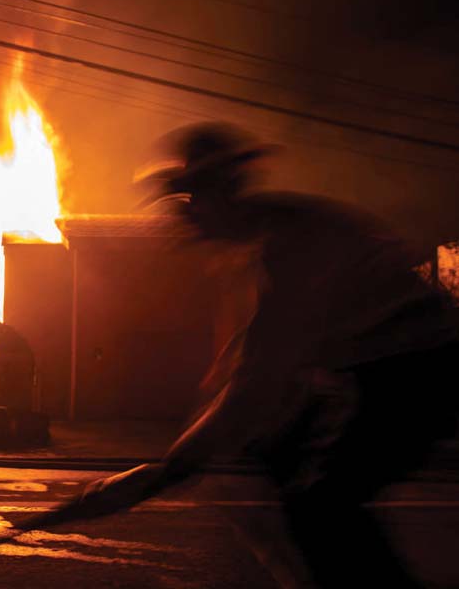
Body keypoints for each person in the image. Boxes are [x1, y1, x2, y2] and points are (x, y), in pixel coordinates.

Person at [36, 122, 459, 588]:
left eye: (192, 198)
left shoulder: (287, 246)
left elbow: (259, 374)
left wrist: (171, 469)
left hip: (418, 369)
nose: (183, 214)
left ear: (227, 190)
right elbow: (244, 357)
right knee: (282, 464)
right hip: (371, 369)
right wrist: (195, 442)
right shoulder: (258, 243)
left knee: (322, 500)